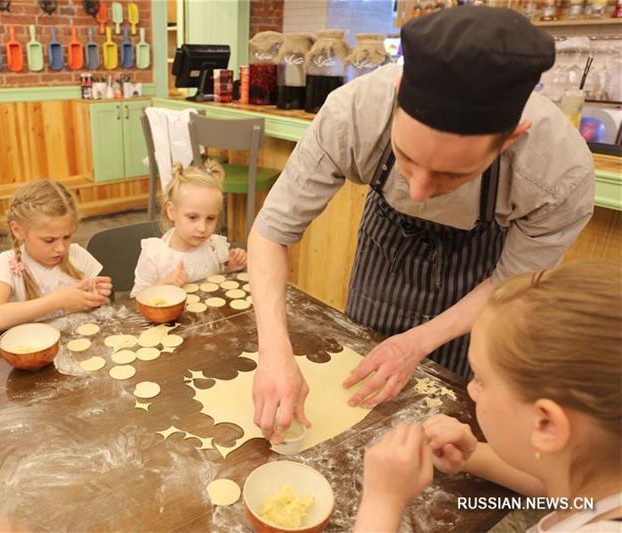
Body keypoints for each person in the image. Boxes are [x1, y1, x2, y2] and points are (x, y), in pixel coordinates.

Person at [248, 6, 596, 441]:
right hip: (383, 259)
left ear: (510, 140)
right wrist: (274, 351)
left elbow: (512, 284)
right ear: (397, 94)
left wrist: (416, 343)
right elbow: (270, 232)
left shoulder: (557, 174)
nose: (417, 193)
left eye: (452, 176)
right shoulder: (353, 114)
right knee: (356, 404)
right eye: (407, 159)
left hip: (478, 287)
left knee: (446, 416)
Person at [353, 261, 621, 532]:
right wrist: (471, 458)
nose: (471, 389)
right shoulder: (600, 481)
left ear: (546, 424)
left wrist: (383, 501)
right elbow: (562, 483)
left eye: (481, 379)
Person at [0, 180, 112, 332]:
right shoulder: (6, 263)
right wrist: (59, 301)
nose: (61, 248)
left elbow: (102, 310)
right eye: (49, 240)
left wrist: (95, 298)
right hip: (28, 349)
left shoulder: (77, 255)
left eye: (67, 237)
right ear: (18, 230)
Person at [131, 162, 247, 296]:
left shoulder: (214, 246)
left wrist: (231, 268)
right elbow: (135, 299)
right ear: (172, 211)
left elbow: (213, 283)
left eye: (210, 218)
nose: (203, 228)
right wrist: (162, 285)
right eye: (192, 217)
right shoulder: (155, 255)